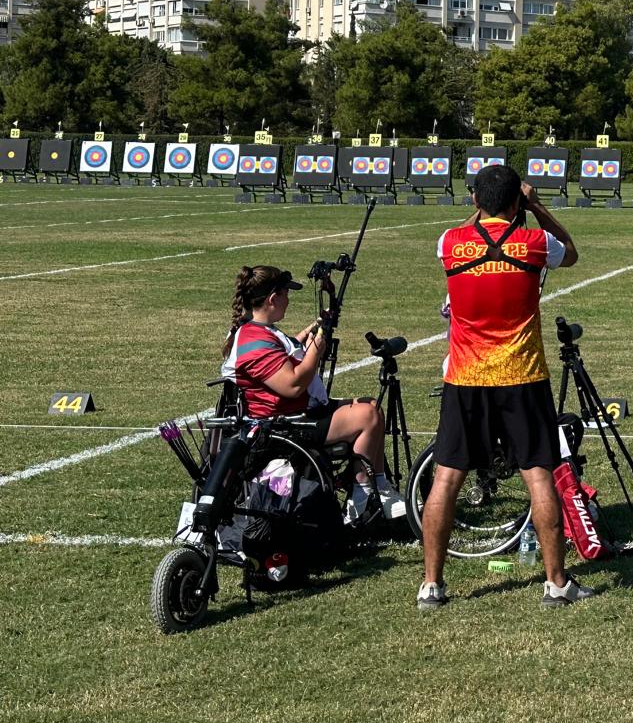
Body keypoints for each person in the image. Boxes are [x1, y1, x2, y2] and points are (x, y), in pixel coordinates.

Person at [418, 163, 592, 610]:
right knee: (538, 475)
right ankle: (556, 582)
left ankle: (432, 585)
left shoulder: (451, 243)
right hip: (523, 376)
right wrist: (534, 207)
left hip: (465, 376)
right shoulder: (534, 242)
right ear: (518, 201)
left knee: (446, 478)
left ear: (475, 202)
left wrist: (485, 209)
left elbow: (465, 231)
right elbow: (570, 252)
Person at [222, 265, 407, 520]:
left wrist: (320, 325)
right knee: (368, 416)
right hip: (283, 425)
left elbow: (288, 351)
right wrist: (317, 348)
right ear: (273, 298)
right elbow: (292, 384)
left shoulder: (259, 330)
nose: (288, 300)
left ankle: (377, 485)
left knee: (372, 406)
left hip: (297, 413)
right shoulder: (252, 340)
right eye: (286, 294)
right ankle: (363, 491)